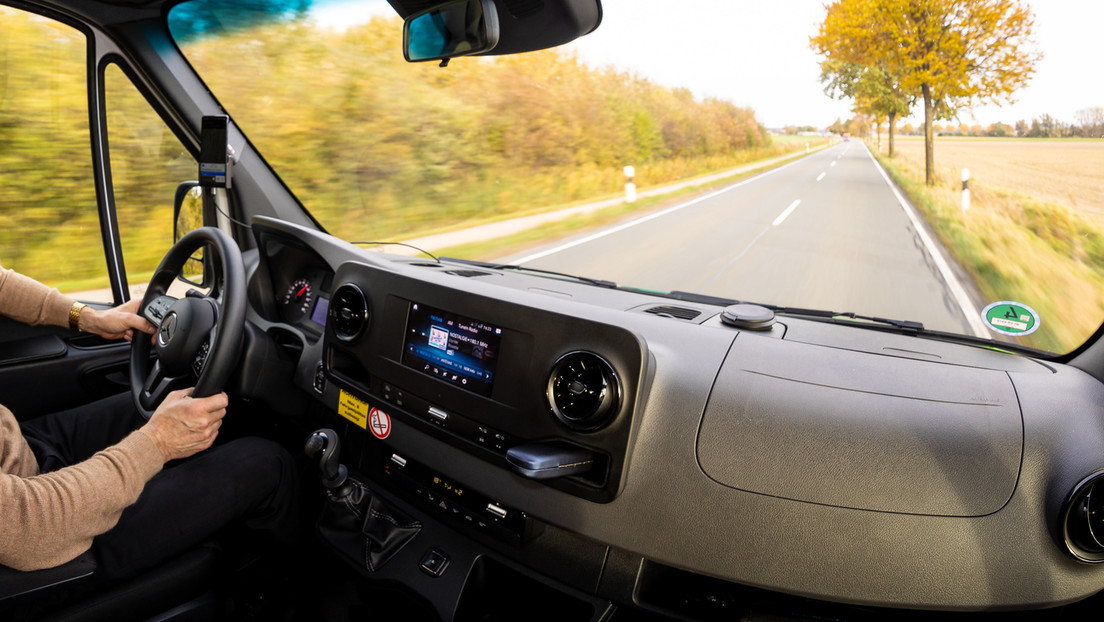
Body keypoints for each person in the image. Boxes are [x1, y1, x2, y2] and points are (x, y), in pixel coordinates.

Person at [0, 264, 299, 580]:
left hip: (19, 449)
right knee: (269, 464)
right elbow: (27, 524)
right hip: (44, 547)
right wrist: (156, 442)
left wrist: (90, 318)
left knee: (188, 409)